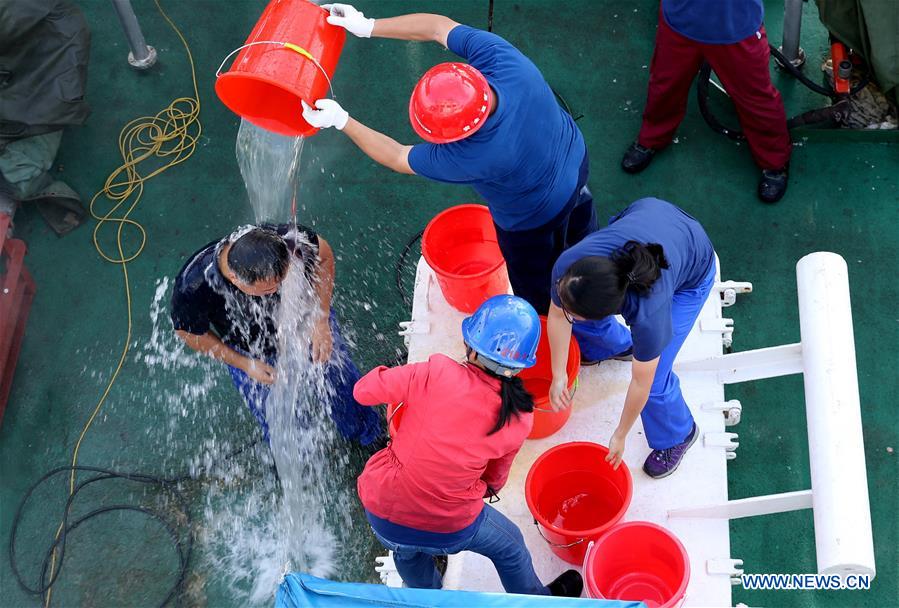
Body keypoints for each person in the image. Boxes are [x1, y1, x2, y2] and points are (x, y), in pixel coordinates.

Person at [302, 4, 595, 314]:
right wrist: (368, 25)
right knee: (584, 240)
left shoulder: (476, 155)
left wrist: (342, 120)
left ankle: (552, 319)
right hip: (576, 162)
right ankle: (593, 271)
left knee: (536, 285)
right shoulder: (503, 59)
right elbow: (438, 27)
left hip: (535, 217)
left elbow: (399, 156)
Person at [353, 295, 582, 597]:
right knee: (510, 547)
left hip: (382, 511)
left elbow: (362, 392)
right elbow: (494, 481)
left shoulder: (433, 372)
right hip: (451, 524)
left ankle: (430, 600)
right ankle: (538, 602)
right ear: (519, 366)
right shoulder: (520, 417)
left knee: (406, 551)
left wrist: (400, 378)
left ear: (471, 347)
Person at [547, 198, 717, 479]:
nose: (564, 310)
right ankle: (616, 345)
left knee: (657, 376)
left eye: (575, 312)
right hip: (649, 212)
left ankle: (678, 433)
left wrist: (620, 433)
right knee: (573, 318)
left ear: (612, 310)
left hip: (694, 266)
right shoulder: (569, 270)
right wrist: (558, 374)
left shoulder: (648, 314)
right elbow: (557, 315)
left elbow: (641, 381)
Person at [170, 224, 381, 446]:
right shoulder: (192, 286)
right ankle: (292, 454)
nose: (278, 291)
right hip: (249, 352)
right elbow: (188, 332)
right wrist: (245, 364)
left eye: (282, 281)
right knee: (274, 413)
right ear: (234, 278)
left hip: (307, 323)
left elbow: (324, 254)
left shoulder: (284, 240)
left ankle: (367, 434)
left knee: (340, 381)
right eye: (267, 290)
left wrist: (321, 319)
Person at [620, 0, 792, 203]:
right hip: (680, 22)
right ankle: (652, 138)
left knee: (755, 99)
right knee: (665, 85)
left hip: (735, 28)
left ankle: (774, 161)